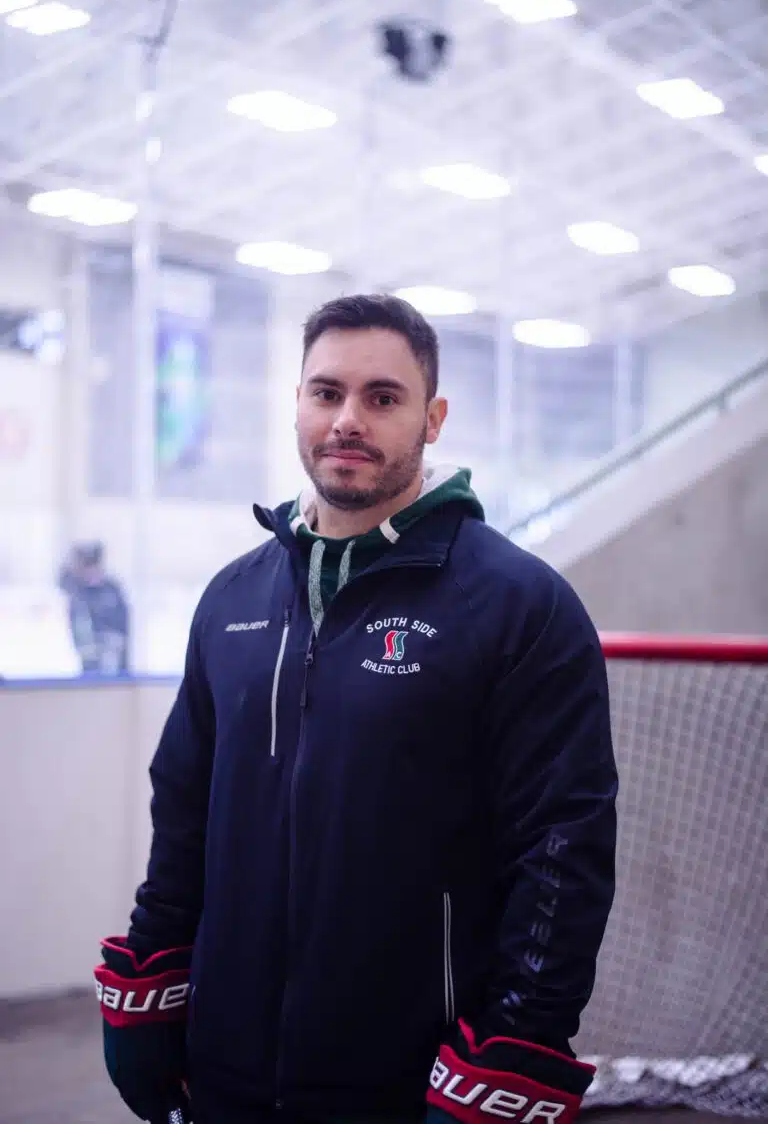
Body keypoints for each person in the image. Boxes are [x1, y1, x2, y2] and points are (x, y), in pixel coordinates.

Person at [94, 294, 618, 1124]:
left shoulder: (521, 606)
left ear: (432, 417)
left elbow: (562, 852)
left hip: (410, 1088)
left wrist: (513, 1047)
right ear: (298, 403)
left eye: (382, 397)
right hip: (225, 1073)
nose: (348, 419)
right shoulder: (230, 599)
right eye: (326, 392)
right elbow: (184, 817)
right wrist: (153, 974)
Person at [59, 541, 130, 675]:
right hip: (89, 664)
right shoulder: (77, 594)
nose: (91, 572)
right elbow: (78, 630)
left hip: (115, 661)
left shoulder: (112, 590)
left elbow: (123, 625)